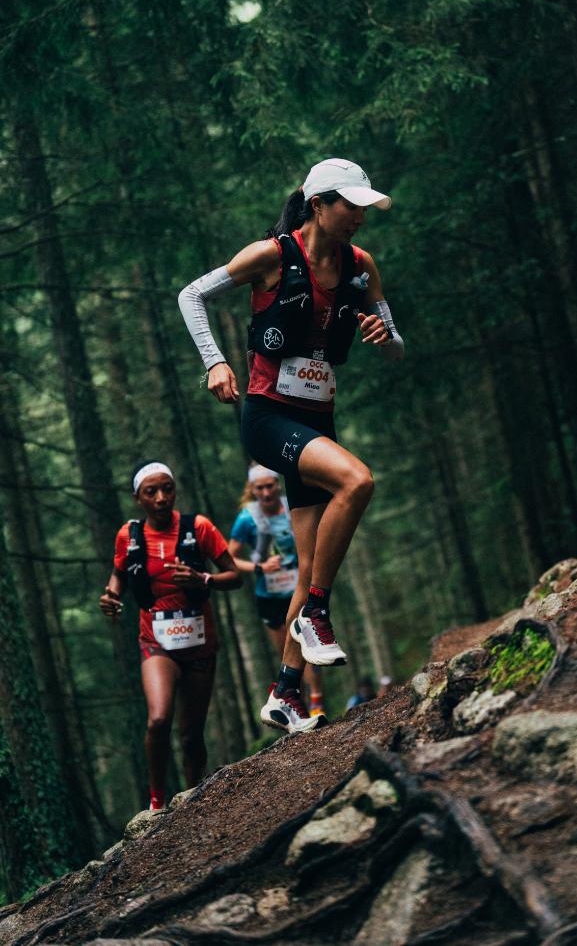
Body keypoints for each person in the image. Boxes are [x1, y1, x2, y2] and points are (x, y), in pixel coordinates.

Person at [178, 157, 404, 734]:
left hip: (318, 420)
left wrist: (383, 333)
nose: (359, 216)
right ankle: (319, 616)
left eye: (362, 206)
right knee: (358, 481)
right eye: (349, 205)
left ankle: (285, 694)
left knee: (307, 566)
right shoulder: (271, 256)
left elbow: (394, 343)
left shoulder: (362, 267)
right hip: (269, 417)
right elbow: (191, 296)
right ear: (318, 205)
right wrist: (216, 362)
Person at [99, 460, 241, 810]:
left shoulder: (199, 527)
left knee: (192, 734)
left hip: (199, 641)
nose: (162, 498)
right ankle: (157, 802)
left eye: (168, 489)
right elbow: (118, 573)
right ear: (138, 498)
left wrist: (203, 580)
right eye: (151, 492)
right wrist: (112, 595)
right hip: (155, 640)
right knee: (159, 718)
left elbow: (235, 576)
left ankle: (192, 803)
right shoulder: (128, 536)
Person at [229, 463, 326, 717]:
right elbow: (230, 558)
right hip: (269, 596)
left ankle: (317, 701)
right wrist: (259, 567)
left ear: (277, 483)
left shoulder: (293, 508)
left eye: (269, 485)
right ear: (252, 489)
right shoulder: (246, 518)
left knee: (308, 644)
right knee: (287, 651)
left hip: (299, 587)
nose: (266, 493)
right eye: (259, 488)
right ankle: (299, 706)